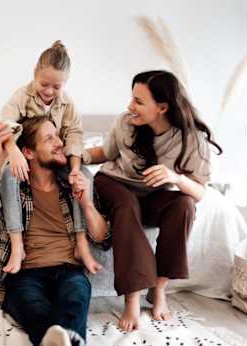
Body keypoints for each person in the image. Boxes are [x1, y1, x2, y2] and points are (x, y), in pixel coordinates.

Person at [0, 116, 110, 346]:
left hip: (69, 269)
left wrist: (88, 204)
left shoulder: (73, 183)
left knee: (75, 298)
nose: (60, 144)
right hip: (24, 273)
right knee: (35, 309)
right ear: (28, 152)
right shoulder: (13, 185)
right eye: (49, 139)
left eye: (58, 136)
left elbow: (103, 239)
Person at [83, 70, 223, 331]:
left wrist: (176, 178)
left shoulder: (191, 139)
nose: (130, 106)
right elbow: (106, 152)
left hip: (152, 194)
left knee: (184, 205)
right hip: (113, 183)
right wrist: (75, 156)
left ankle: (158, 290)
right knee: (127, 207)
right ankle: (132, 298)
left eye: (138, 101)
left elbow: (200, 192)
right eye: (131, 98)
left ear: (162, 107)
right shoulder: (125, 123)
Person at [0, 40, 101, 277]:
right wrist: (13, 152)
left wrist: (74, 168)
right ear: (34, 75)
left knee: (84, 177)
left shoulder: (68, 103)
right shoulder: (21, 96)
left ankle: (81, 242)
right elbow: (6, 124)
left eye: (56, 86)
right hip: (24, 157)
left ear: (65, 84)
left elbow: (74, 134)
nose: (49, 91)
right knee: (8, 175)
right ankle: (17, 244)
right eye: (44, 84)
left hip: (56, 161)